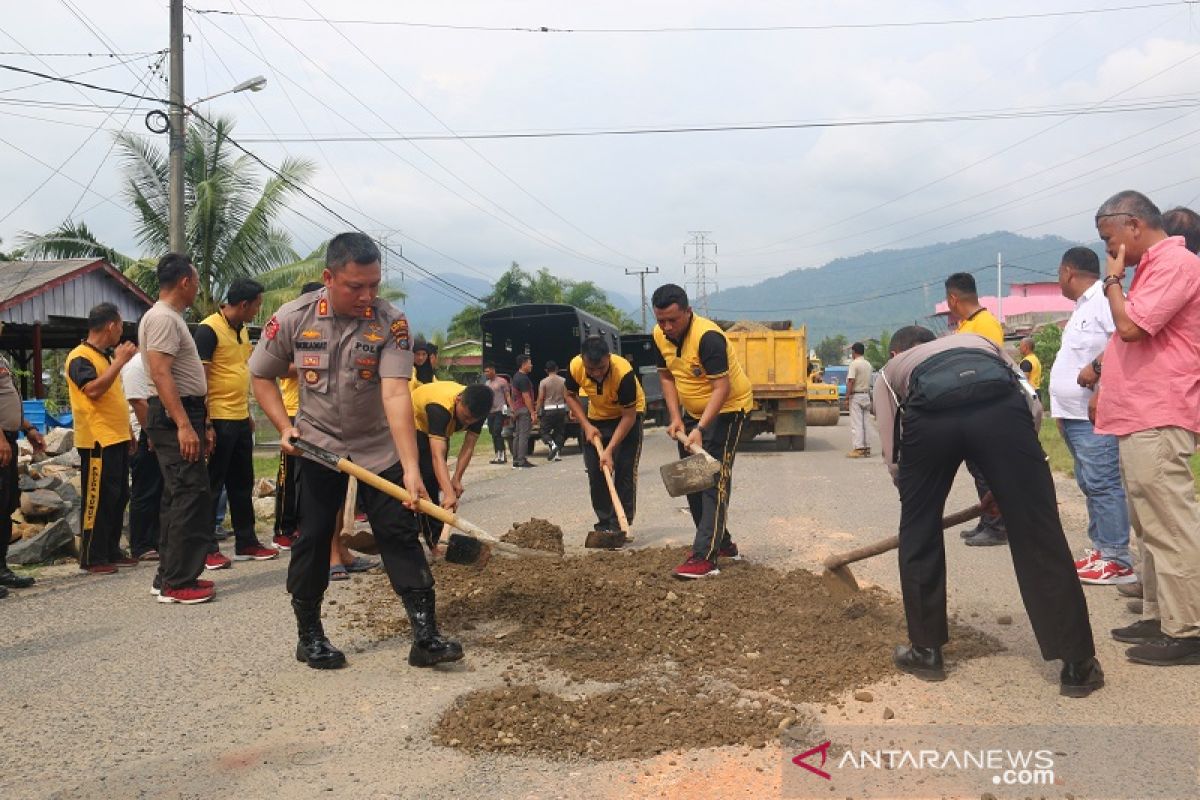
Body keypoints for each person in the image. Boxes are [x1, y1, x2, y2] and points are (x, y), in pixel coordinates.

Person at [250, 231, 460, 670]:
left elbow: (396, 395)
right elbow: (261, 376)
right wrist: (285, 427)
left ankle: (425, 636)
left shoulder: (391, 322)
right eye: (355, 286)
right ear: (329, 277)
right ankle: (309, 636)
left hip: (378, 449)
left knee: (399, 532)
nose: (367, 296)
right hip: (318, 447)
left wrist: (410, 469)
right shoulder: (292, 318)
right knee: (312, 538)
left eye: (374, 285)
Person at [873, 325, 1102, 697]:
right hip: (1001, 414)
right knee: (1038, 530)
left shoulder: (890, 372)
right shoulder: (983, 343)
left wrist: (914, 496)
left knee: (918, 531)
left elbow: (891, 447)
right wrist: (1014, 483)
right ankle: (1077, 665)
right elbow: (1030, 400)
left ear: (897, 354)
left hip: (929, 422)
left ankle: (926, 651)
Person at [1091, 190, 1200, 667]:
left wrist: (1112, 280)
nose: (1109, 251)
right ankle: (1162, 616)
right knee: (1151, 526)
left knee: (1171, 525)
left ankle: (1189, 629)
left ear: (1134, 226)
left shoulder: (1176, 265)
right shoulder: (1154, 269)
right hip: (1140, 416)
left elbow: (1133, 327)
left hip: (1160, 414)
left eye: (1109, 239)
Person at [652, 284, 754, 579]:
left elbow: (722, 388)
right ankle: (720, 542)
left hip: (729, 409)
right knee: (691, 480)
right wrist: (676, 419)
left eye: (673, 320)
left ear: (688, 311)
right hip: (693, 413)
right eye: (661, 320)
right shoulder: (660, 336)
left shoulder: (708, 338)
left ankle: (704, 558)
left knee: (713, 479)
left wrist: (700, 428)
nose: (667, 327)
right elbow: (667, 377)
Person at [1048, 247, 1133, 585]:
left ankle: (1117, 558)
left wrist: (1101, 389)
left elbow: (1122, 344)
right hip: (1073, 415)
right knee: (1088, 482)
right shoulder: (1082, 307)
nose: (1058, 280)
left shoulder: (1104, 299)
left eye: (1058, 274)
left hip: (1093, 415)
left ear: (1068, 271)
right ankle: (1101, 550)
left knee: (1104, 483)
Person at [140, 253, 216, 605]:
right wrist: (184, 424)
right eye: (197, 281)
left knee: (179, 494)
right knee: (189, 493)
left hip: (187, 413)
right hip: (177, 415)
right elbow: (160, 373)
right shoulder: (162, 318)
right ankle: (178, 581)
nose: (198, 287)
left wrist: (202, 423)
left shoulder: (169, 318)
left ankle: (168, 575)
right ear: (185, 281)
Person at [195, 278, 278, 566]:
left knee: (242, 483)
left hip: (240, 417)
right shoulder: (208, 329)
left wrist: (249, 414)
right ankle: (206, 548)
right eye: (256, 305)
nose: (257, 311)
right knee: (213, 485)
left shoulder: (241, 330)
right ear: (244, 304)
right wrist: (205, 423)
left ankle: (247, 542)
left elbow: (242, 372)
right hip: (218, 418)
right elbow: (200, 379)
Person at [66, 303, 138, 574]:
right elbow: (93, 390)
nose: (121, 331)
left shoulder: (103, 358)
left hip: (115, 436)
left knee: (119, 495)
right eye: (120, 326)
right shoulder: (79, 356)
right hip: (96, 439)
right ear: (111, 326)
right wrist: (120, 361)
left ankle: (110, 550)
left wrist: (127, 431)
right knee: (98, 498)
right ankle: (92, 556)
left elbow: (113, 397)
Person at [944, 272, 1009, 547]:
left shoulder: (985, 324)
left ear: (953, 298)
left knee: (987, 470)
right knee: (977, 469)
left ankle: (997, 526)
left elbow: (990, 366)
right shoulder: (967, 325)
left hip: (983, 407)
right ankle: (987, 520)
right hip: (967, 408)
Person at [563, 335, 645, 545]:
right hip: (596, 418)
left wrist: (609, 451)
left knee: (624, 471)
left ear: (609, 357)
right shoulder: (575, 366)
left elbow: (629, 417)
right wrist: (587, 426)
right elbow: (569, 395)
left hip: (627, 418)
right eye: (591, 369)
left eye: (601, 367)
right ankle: (604, 524)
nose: (597, 374)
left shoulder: (623, 372)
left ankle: (620, 524)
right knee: (596, 473)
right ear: (583, 360)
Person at [273, 281, 325, 552]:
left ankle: (307, 527)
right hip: (293, 412)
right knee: (289, 476)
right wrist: (312, 363)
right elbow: (279, 368)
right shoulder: (292, 328)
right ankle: (283, 529)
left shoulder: (322, 329)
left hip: (318, 414)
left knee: (311, 477)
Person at [412, 381, 492, 546]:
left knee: (439, 481)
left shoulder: (478, 409)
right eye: (466, 417)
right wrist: (449, 494)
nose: (469, 422)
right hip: (414, 422)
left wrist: (456, 478)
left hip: (441, 428)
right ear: (458, 400)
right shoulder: (439, 408)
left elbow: (469, 446)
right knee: (429, 481)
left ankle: (435, 541)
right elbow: (436, 455)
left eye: (473, 420)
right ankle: (430, 542)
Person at [0, 358, 45, 598]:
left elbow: (7, 402)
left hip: (9, 436)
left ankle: (1, 569)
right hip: (1, 440)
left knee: (5, 507)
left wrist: (27, 428)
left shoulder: (2, 359)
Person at [122, 351, 162, 561]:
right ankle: (140, 543)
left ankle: (156, 538)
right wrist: (152, 432)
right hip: (143, 434)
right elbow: (138, 402)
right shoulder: (136, 364)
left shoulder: (152, 361)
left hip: (155, 430)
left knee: (159, 489)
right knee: (145, 490)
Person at [845, 342, 873, 458]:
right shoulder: (868, 364)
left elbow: (851, 381)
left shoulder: (854, 364)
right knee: (866, 423)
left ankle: (858, 448)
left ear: (854, 352)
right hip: (866, 395)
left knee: (857, 423)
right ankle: (867, 448)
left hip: (856, 396)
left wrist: (847, 396)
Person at [537, 360, 568, 461]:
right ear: (557, 369)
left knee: (544, 431)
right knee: (559, 431)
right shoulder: (563, 381)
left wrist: (536, 410)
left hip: (549, 409)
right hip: (561, 408)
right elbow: (566, 396)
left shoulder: (543, 382)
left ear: (546, 370)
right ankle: (557, 454)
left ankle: (552, 445)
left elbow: (541, 398)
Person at [510, 354, 537, 468]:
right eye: (529, 363)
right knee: (524, 435)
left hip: (517, 409)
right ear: (524, 364)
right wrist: (532, 412)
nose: (531, 365)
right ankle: (522, 460)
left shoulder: (516, 377)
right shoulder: (523, 378)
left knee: (517, 435)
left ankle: (516, 459)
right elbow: (526, 397)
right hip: (524, 409)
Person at [483, 364, 512, 464]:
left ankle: (502, 455)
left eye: (487, 371)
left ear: (493, 370)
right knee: (492, 433)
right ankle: (497, 455)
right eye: (485, 372)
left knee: (497, 431)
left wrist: (511, 409)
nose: (486, 373)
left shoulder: (502, 381)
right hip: (490, 411)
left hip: (500, 410)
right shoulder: (487, 383)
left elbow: (507, 396)